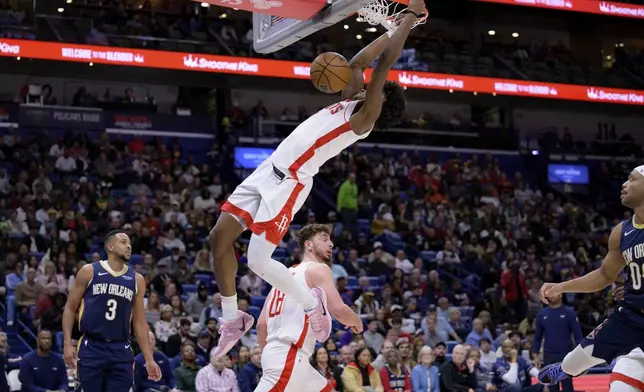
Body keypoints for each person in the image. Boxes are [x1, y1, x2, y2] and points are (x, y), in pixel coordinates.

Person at [207, 0, 424, 358]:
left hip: (291, 181)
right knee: (218, 240)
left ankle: (312, 305)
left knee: (257, 261)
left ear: (381, 104)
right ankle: (233, 318)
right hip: (268, 170)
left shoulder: (364, 119)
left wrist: (411, 17)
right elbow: (357, 63)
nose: (369, 85)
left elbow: (384, 64)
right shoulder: (351, 99)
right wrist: (390, 29)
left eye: (377, 90)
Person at [537, 166, 644, 391]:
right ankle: (567, 369)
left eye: (631, 179)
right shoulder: (621, 232)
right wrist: (561, 287)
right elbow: (605, 275)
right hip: (631, 318)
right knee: (573, 362)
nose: (624, 185)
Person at [254, 223, 365, 391]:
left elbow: (261, 325)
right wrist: (357, 321)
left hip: (287, 357)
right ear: (308, 245)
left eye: (330, 240)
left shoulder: (282, 277)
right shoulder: (318, 268)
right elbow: (338, 309)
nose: (331, 244)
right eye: (324, 239)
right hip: (289, 354)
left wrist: (269, 357)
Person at [62, 230, 161, 391]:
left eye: (129, 243)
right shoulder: (89, 271)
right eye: (123, 242)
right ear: (110, 247)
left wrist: (149, 359)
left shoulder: (137, 279)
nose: (128, 246)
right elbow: (70, 308)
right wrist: (67, 343)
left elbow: (139, 322)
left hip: (120, 349)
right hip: (92, 346)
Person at [531, 293, 581, 392]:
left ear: (561, 295)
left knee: (567, 385)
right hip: (549, 355)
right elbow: (537, 337)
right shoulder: (542, 315)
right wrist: (535, 355)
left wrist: (580, 353)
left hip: (566, 354)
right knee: (552, 386)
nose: (552, 295)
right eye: (550, 293)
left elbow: (578, 335)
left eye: (555, 292)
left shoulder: (569, 313)